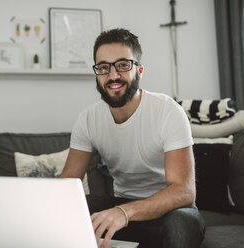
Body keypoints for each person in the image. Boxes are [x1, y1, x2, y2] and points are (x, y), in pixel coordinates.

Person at [60, 28, 205, 248]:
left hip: (170, 210)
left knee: (180, 227)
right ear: (97, 73)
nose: (113, 75)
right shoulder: (88, 119)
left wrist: (124, 213)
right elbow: (68, 185)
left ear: (140, 70)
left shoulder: (168, 112)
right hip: (122, 205)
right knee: (73, 208)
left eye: (123, 65)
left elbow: (184, 192)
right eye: (104, 67)